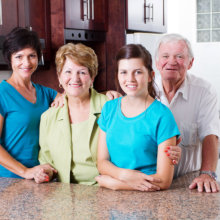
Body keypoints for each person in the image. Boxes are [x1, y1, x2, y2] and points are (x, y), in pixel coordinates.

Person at [96, 44, 180, 191]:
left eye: (138, 72)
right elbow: (102, 162)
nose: (130, 79)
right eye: (123, 72)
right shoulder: (108, 109)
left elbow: (164, 180)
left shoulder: (163, 116)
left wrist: (116, 184)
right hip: (112, 204)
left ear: (150, 76)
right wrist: (125, 175)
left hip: (150, 198)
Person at [34, 43, 108, 184]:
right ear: (60, 77)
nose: (75, 78)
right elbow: (47, 162)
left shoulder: (109, 109)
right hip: (65, 195)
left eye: (82, 72)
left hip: (105, 192)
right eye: (68, 72)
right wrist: (44, 172)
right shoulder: (48, 117)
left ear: (92, 78)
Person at [155, 33, 220, 193]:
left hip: (188, 181)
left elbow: (210, 134)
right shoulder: (145, 89)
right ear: (157, 63)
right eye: (165, 56)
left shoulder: (204, 91)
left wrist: (207, 174)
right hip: (153, 180)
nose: (171, 62)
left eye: (179, 56)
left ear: (190, 63)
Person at [0, 27, 61, 179]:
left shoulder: (45, 93)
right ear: (9, 58)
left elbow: (79, 98)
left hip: (40, 174)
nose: (26, 62)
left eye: (32, 56)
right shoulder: (2, 93)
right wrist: (25, 172)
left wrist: (107, 94)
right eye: (19, 56)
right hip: (8, 179)